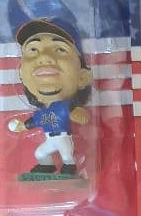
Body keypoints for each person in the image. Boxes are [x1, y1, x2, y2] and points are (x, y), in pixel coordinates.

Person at [8, 13, 92, 178]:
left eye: (60, 49)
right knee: (40, 153)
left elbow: (76, 112)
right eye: (33, 49)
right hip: (50, 139)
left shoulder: (64, 106)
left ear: (83, 77)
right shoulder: (42, 112)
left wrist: (78, 113)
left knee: (67, 157)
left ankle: (69, 170)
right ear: (21, 75)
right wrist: (21, 126)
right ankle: (47, 167)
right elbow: (34, 122)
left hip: (63, 138)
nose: (44, 56)